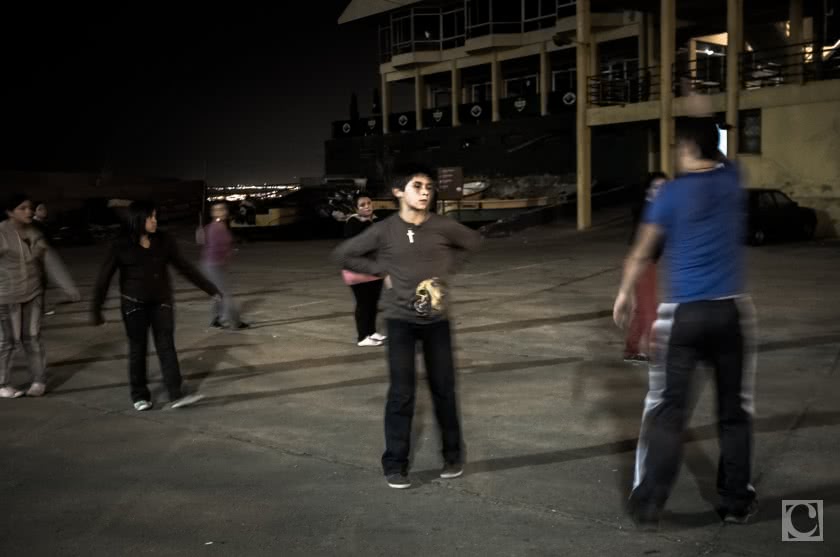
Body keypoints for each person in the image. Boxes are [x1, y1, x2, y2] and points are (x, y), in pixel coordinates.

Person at [613, 117, 757, 527]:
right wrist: (705, 114)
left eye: (679, 146)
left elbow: (641, 251)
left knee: (668, 410)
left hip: (683, 317)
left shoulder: (671, 193)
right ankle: (735, 501)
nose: (675, 153)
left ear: (688, 148)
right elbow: (725, 157)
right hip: (730, 312)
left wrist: (624, 291)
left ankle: (649, 501)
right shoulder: (732, 180)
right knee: (734, 410)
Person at [333, 166, 482, 489]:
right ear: (399, 192)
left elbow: (472, 242)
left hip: (437, 323)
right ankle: (395, 464)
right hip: (400, 322)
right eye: (418, 186)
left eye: (429, 186)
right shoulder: (385, 230)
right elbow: (345, 254)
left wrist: (447, 268)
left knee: (444, 390)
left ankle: (453, 456)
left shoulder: (442, 227)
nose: (426, 191)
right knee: (401, 395)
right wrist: (380, 269)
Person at [92, 200, 221, 411]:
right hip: (134, 305)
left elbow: (184, 267)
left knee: (166, 346)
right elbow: (104, 278)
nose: (155, 221)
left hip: (162, 302)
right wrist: (97, 309)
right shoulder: (121, 243)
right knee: (138, 349)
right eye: (150, 217)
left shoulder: (164, 240)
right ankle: (140, 395)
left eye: (155, 216)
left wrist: (210, 289)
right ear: (138, 219)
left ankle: (175, 394)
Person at [1, 193, 80, 398]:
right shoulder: (1, 233)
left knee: (33, 338)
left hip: (33, 293)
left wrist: (68, 287)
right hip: (7, 296)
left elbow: (50, 260)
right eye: (22, 208)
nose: (29, 211)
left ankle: (39, 381)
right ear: (10, 212)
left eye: (30, 207)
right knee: (8, 341)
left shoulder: (35, 233)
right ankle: (3, 384)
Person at [624, 172, 668, 363]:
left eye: (664, 188)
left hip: (649, 263)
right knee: (650, 309)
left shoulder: (657, 208)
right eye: (656, 187)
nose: (661, 191)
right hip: (643, 264)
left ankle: (632, 349)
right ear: (648, 190)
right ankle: (653, 351)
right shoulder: (647, 209)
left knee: (642, 309)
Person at [342, 195, 385, 347]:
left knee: (373, 303)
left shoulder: (375, 220)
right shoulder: (353, 222)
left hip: (373, 269)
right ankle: (362, 337)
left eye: (369, 203)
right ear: (356, 209)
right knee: (363, 303)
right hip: (357, 271)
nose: (367, 206)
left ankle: (372, 332)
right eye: (362, 205)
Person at [202, 202, 248, 330]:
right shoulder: (217, 227)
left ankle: (216, 319)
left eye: (223, 209)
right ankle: (235, 322)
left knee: (218, 293)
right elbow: (218, 247)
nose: (223, 212)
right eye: (218, 210)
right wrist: (228, 252)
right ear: (213, 213)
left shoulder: (215, 226)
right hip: (215, 265)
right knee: (226, 294)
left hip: (213, 264)